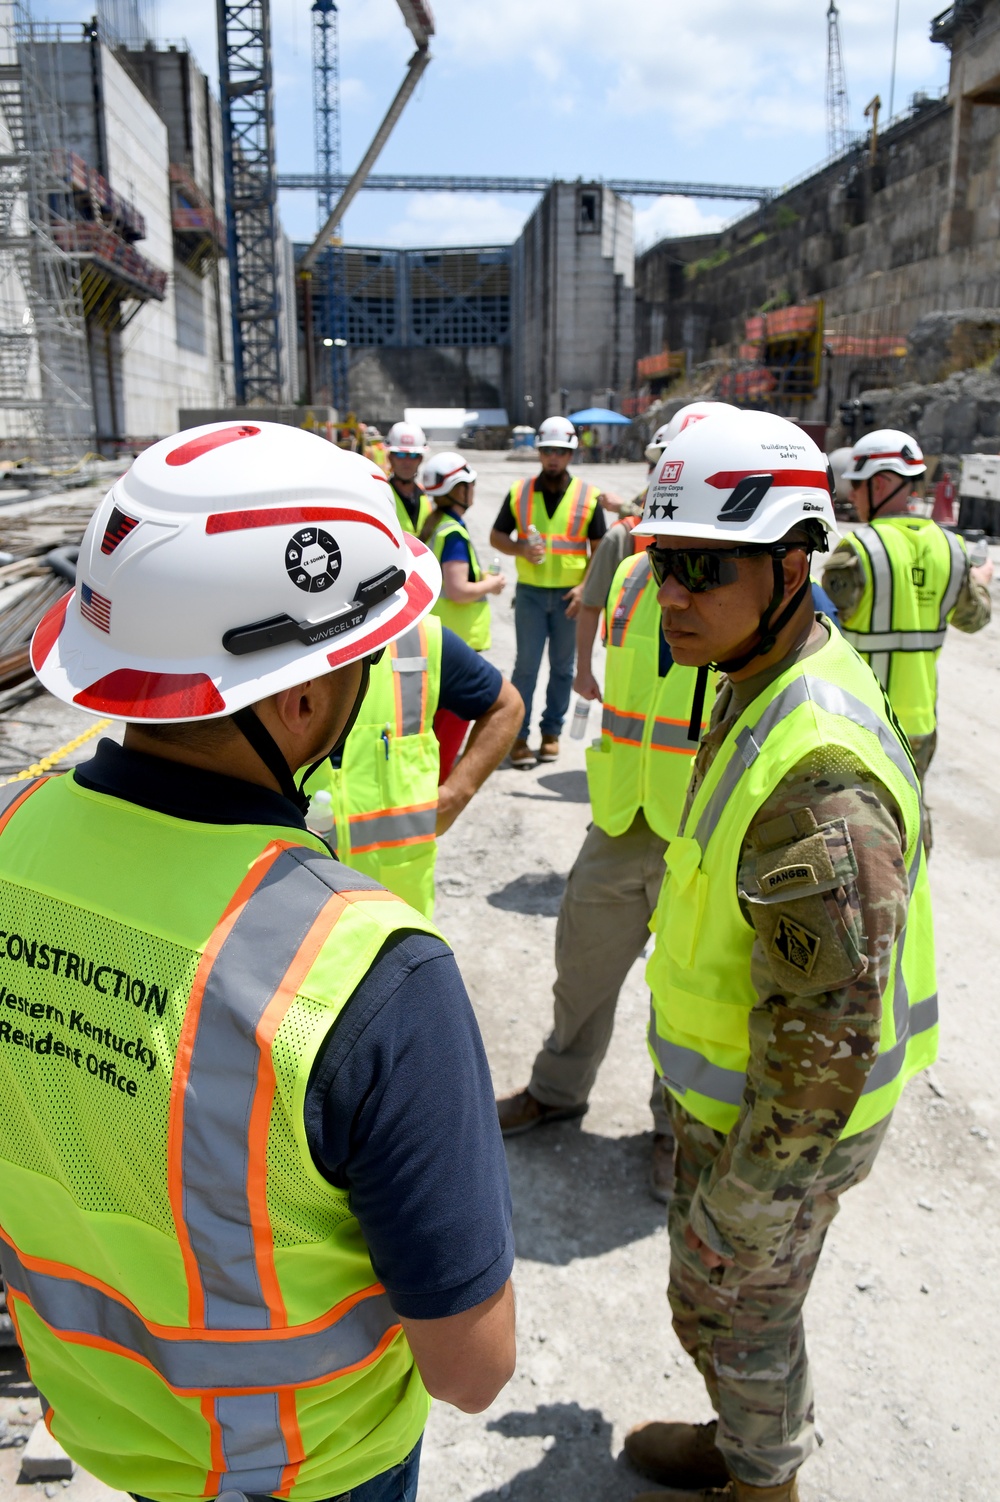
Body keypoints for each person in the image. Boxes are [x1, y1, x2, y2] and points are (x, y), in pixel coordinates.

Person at [3, 422, 516, 1502]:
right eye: (361, 662)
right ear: (296, 700)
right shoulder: (369, 975)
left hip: (111, 1420)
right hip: (308, 1467)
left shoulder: (14, 832)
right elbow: (473, 1369)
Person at [624, 411, 936, 1502]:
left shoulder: (819, 776)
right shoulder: (755, 675)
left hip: (781, 1127)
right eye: (663, 561)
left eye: (703, 565)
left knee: (738, 1307)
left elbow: (822, 1055)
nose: (672, 593)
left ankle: (763, 1478)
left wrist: (744, 1204)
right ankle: (743, 1434)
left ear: (794, 563)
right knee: (713, 1304)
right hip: (736, 1104)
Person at [495, 405, 736, 1200]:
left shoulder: (746, 579)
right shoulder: (626, 554)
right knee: (581, 967)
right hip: (622, 815)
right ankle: (558, 1094)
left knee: (691, 992)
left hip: (705, 827)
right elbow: (596, 628)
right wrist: (585, 678)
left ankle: (677, 1131)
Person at [822, 428, 992, 840]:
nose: (854, 497)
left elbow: (815, 625)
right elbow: (974, 619)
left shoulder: (857, 549)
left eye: (858, 487)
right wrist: (980, 579)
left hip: (858, 722)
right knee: (909, 827)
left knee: (856, 834)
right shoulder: (952, 549)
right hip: (919, 724)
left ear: (881, 482)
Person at [305, 613, 522, 918]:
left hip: (396, 916)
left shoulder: (416, 638)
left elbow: (506, 706)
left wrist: (457, 795)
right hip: (300, 913)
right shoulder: (254, 643)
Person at [489, 414, 613, 768]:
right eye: (547, 451)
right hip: (530, 594)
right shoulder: (520, 493)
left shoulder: (588, 497)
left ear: (571, 454)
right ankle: (518, 737)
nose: (553, 457)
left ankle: (551, 733)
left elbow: (600, 550)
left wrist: (585, 589)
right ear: (539, 453)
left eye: (560, 451)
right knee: (525, 668)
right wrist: (520, 549)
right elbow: (496, 537)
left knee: (563, 668)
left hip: (568, 599)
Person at [420, 451, 509, 779]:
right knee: (446, 739)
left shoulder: (436, 525)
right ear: (458, 489)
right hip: (456, 647)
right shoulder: (453, 533)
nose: (473, 489)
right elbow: (458, 589)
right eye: (469, 483)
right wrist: (491, 584)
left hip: (439, 642)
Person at [386, 420, 433, 535]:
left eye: (413, 455)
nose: (407, 462)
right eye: (400, 455)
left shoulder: (426, 496)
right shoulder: (383, 496)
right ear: (390, 458)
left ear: (420, 459)